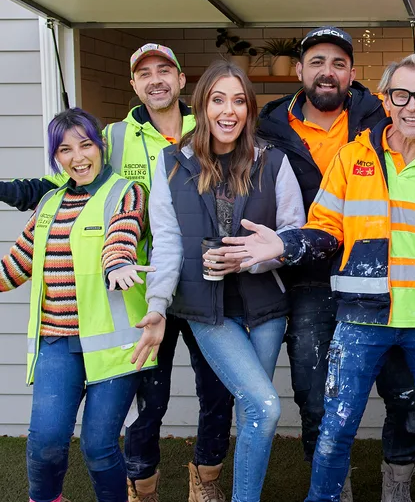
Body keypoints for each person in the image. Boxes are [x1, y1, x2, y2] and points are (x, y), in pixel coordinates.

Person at [219, 53, 415, 502]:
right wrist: (285, 244)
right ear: (386, 99)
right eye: (401, 94)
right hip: (362, 321)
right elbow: (326, 227)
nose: (413, 106)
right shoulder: (354, 156)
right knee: (336, 427)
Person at [0, 43, 234, 502]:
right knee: (150, 401)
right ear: (134, 85)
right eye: (144, 73)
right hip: (146, 290)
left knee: (216, 392)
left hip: (208, 283)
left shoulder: (209, 124)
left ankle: (205, 481)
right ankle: (141, 486)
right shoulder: (113, 136)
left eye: (164, 70)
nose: (155, 79)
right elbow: (69, 181)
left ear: (182, 78)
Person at [144, 60, 305, 502]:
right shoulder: (173, 164)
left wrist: (254, 259)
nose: (228, 111)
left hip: (266, 310)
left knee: (255, 413)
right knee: (266, 405)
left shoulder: (274, 162)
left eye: (238, 101)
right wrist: (157, 304)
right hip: (208, 312)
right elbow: (168, 241)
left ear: (249, 110)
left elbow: (293, 234)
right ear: (202, 106)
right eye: (218, 100)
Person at [0, 108, 163, 502]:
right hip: (57, 342)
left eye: (86, 145)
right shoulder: (49, 203)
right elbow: (15, 268)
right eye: (65, 149)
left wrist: (119, 265)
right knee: (46, 441)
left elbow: (121, 237)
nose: (78, 157)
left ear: (100, 146)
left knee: (98, 446)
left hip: (115, 346)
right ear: (56, 157)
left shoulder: (125, 191)